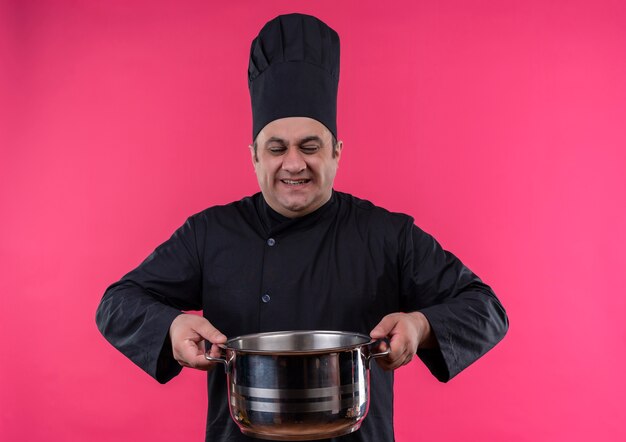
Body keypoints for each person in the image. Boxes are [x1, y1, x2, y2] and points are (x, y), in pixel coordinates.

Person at [96, 13, 508, 442]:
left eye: (310, 147)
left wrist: (420, 327)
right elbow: (116, 303)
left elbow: (487, 309)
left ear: (336, 153)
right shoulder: (210, 234)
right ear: (254, 155)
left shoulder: (388, 235)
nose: (294, 163)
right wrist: (172, 327)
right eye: (276, 148)